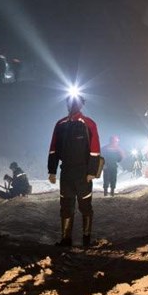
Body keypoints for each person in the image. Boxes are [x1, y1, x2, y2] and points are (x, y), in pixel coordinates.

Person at [48, 91, 101, 247]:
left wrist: (92, 171)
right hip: (66, 172)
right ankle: (66, 240)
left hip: (83, 172)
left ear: (81, 104)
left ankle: (86, 240)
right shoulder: (60, 124)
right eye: (70, 102)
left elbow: (95, 148)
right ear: (67, 104)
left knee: (85, 206)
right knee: (66, 206)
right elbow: (53, 149)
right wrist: (52, 170)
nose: (72, 105)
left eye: (75, 102)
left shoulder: (88, 123)